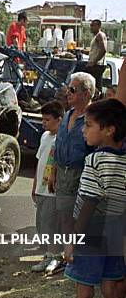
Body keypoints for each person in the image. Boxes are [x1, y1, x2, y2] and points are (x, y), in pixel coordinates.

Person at [57, 98, 126, 298]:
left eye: (89, 125)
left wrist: (72, 241)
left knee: (84, 292)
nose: (84, 131)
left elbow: (87, 203)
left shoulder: (95, 160)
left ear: (108, 129)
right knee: (111, 287)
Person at [48, 72, 95, 272]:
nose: (68, 92)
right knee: (65, 217)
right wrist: (52, 172)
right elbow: (58, 145)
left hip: (83, 176)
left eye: (73, 89)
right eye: (68, 88)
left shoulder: (93, 118)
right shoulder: (67, 114)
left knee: (84, 219)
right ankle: (67, 256)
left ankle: (82, 257)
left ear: (87, 93)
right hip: (64, 174)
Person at [31, 101, 64, 272]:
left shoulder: (63, 139)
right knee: (41, 224)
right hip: (41, 189)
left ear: (59, 120)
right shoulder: (45, 137)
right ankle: (49, 254)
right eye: (42, 120)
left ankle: (55, 257)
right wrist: (35, 185)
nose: (44, 123)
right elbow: (40, 162)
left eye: (47, 120)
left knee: (51, 224)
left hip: (53, 190)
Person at [86, 19, 107, 94]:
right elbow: (96, 50)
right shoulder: (96, 36)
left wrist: (94, 62)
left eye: (92, 25)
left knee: (94, 87)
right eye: (90, 25)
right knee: (95, 86)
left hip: (97, 65)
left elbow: (103, 50)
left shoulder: (99, 35)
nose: (91, 27)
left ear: (98, 26)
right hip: (96, 65)